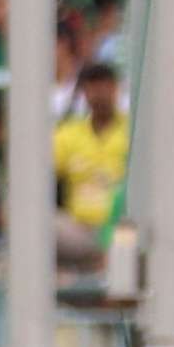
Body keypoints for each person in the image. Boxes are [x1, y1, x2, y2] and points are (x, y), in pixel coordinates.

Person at [52, 61, 130, 265]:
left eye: (106, 86)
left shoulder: (133, 130)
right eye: (94, 87)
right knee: (38, 225)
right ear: (84, 92)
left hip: (121, 227)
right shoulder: (68, 134)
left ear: (116, 89)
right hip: (80, 228)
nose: (100, 93)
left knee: (130, 234)